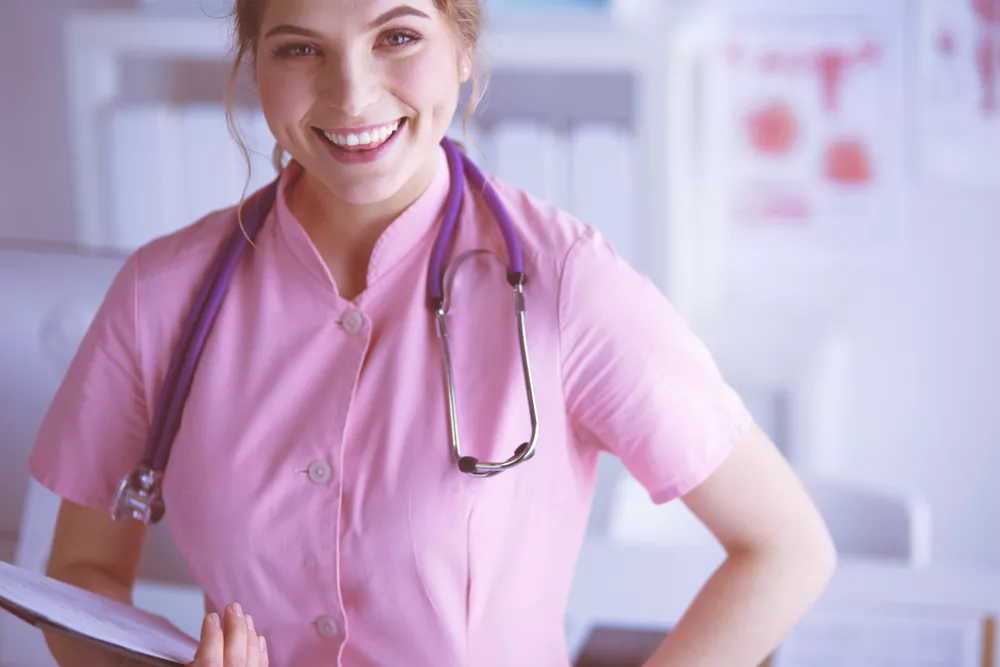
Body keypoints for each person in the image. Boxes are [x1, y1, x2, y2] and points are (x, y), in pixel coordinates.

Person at [30, 0, 837, 666]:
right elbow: (82, 574)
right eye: (300, 48)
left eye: (398, 36)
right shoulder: (160, 296)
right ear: (254, 64)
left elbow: (785, 547)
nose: (350, 95)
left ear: (464, 45)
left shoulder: (566, 285)